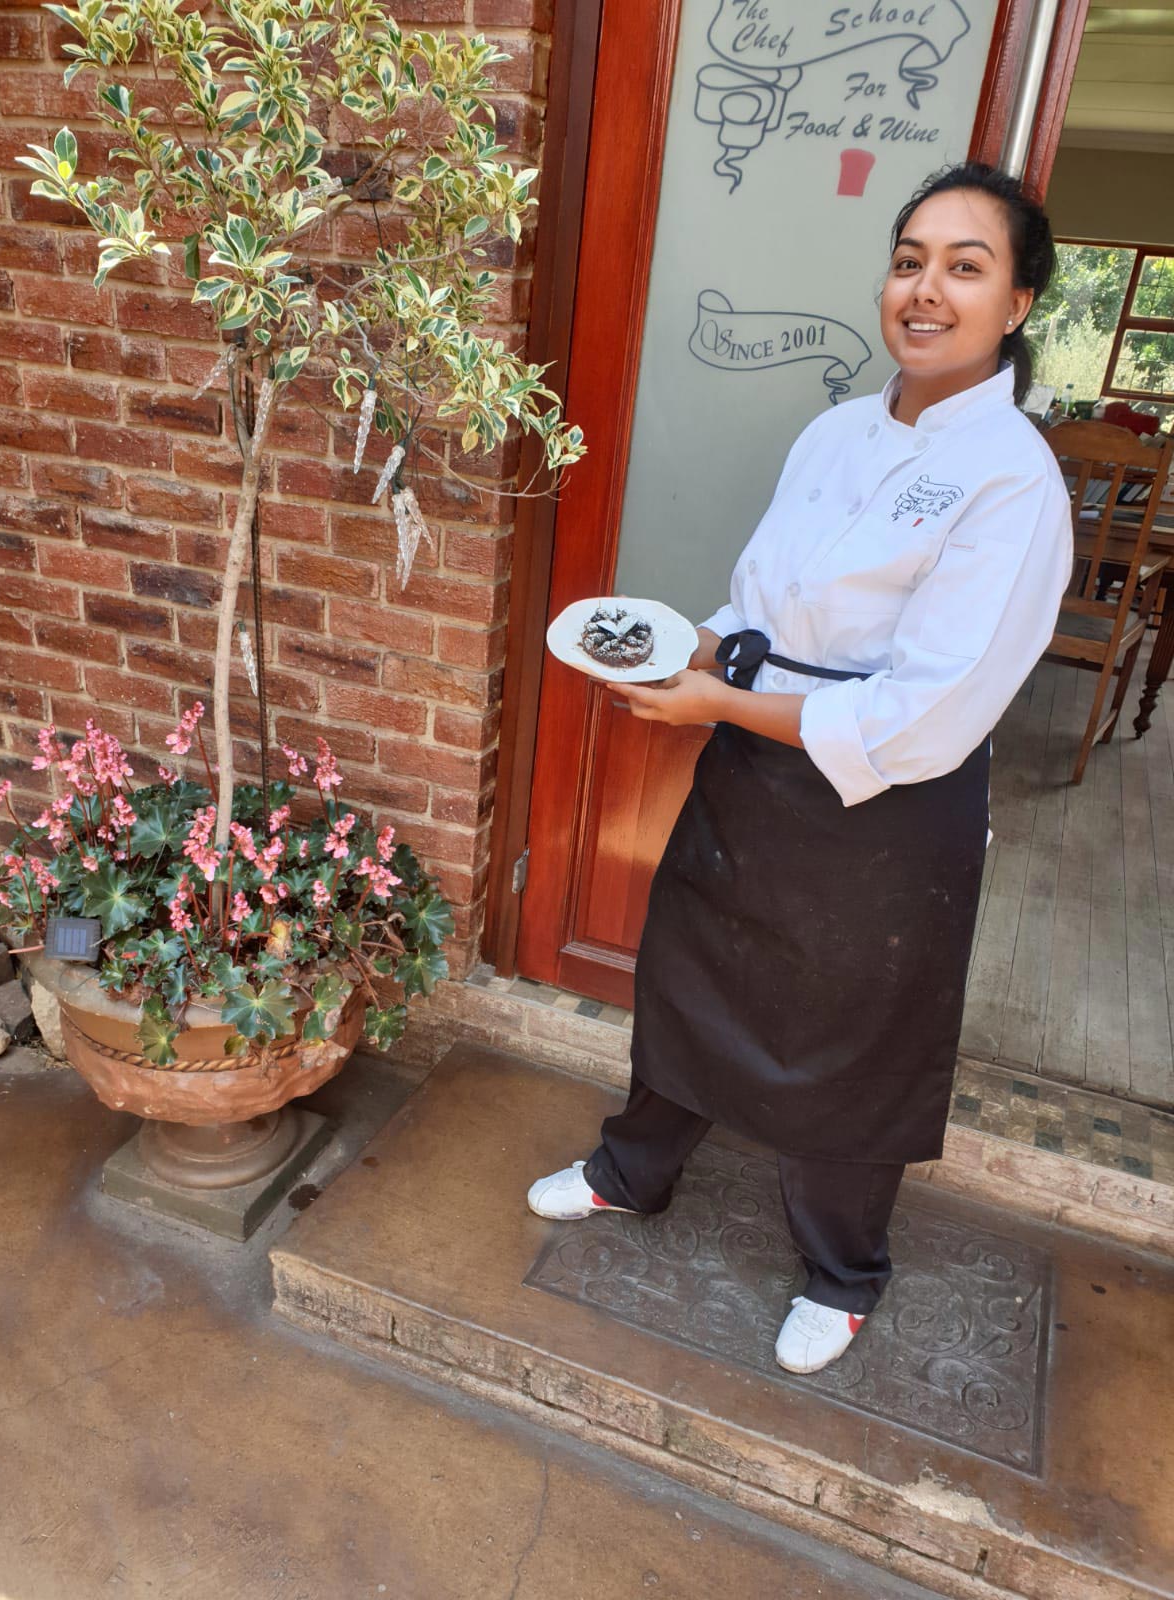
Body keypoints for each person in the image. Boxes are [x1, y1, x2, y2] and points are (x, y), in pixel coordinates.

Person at [527, 162, 1074, 1375]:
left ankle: (843, 1267)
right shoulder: (836, 428)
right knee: (692, 971)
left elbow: (926, 715)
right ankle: (632, 1172)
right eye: (909, 259)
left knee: (850, 1042)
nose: (925, 290)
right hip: (753, 765)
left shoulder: (1013, 483)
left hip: (887, 812)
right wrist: (702, 647)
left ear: (1020, 303)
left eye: (965, 267)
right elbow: (767, 598)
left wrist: (717, 698)